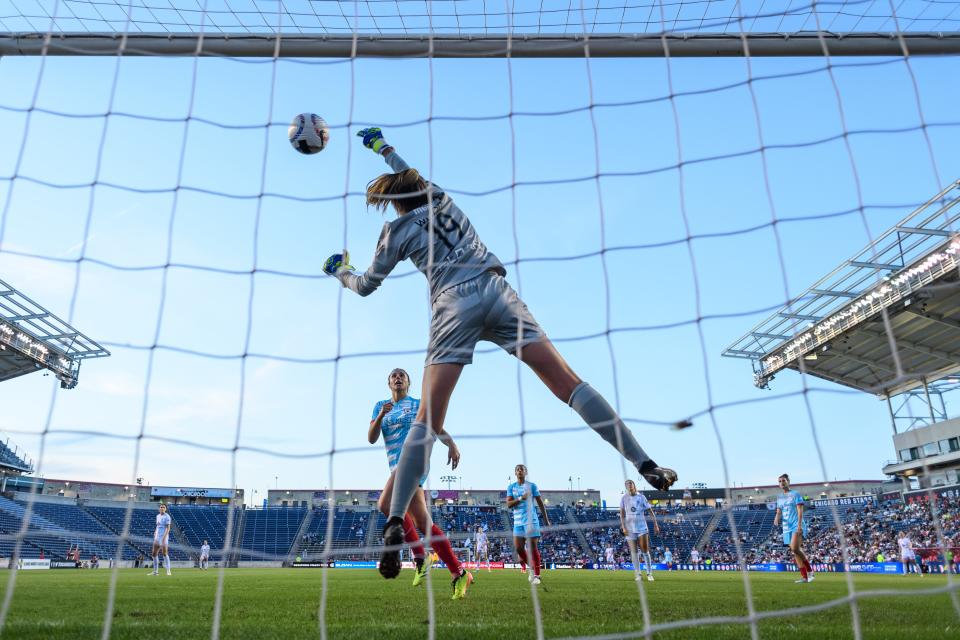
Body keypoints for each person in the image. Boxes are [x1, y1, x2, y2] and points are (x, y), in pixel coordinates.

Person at [325, 128, 678, 578]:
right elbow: (407, 174)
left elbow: (366, 286)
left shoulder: (393, 231)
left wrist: (341, 271)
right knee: (568, 383)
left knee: (428, 419)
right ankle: (644, 462)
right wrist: (383, 147)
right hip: (496, 290)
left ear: (393, 202)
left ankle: (396, 521)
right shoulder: (442, 200)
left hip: (452, 303)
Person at [369, 367, 473, 599]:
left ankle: (419, 556)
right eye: (394, 376)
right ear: (389, 383)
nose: (397, 378)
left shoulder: (416, 404)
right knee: (424, 524)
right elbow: (371, 437)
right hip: (396, 466)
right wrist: (379, 417)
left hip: (415, 460)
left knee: (385, 505)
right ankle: (459, 572)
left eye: (402, 376)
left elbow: (434, 424)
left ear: (408, 383)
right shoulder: (380, 406)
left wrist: (451, 443)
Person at [506, 464, 551, 586]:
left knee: (532, 548)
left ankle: (537, 575)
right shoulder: (511, 487)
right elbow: (509, 504)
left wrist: (546, 519)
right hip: (518, 523)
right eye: (518, 469)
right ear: (515, 473)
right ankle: (531, 568)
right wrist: (521, 498)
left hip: (531, 521)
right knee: (519, 549)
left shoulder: (532, 486)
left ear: (526, 472)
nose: (520, 471)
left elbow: (540, 503)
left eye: (522, 469)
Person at [773, 474, 813, 584]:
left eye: (783, 480)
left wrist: (799, 525)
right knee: (795, 552)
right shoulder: (779, 497)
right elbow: (779, 510)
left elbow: (800, 510)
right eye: (780, 481)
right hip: (786, 527)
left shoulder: (795, 494)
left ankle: (810, 571)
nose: (782, 482)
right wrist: (777, 517)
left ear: (788, 481)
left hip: (796, 524)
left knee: (795, 548)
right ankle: (804, 577)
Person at [620, 480, 660, 582]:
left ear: (634, 485)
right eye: (627, 485)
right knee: (634, 553)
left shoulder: (641, 497)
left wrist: (655, 524)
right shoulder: (624, 498)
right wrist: (623, 527)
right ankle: (638, 574)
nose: (629, 486)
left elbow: (650, 511)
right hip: (630, 528)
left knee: (645, 551)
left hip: (641, 527)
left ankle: (649, 573)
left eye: (630, 484)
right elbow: (622, 514)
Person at [149, 502, 172, 576]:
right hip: (157, 537)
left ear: (165, 509)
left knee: (164, 553)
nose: (162, 508)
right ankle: (156, 571)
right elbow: (158, 526)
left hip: (164, 536)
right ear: (159, 508)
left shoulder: (167, 516)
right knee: (154, 553)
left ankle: (168, 570)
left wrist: (164, 538)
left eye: (163, 507)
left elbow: (168, 528)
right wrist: (155, 532)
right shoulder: (158, 516)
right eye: (161, 507)